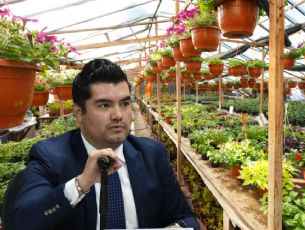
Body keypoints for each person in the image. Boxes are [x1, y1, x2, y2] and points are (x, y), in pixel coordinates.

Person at [10, 59, 199, 230]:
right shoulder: (50, 156)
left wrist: (178, 228)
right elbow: (22, 222)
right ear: (78, 114)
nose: (118, 114)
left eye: (124, 103)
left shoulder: (151, 153)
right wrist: (81, 184)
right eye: (104, 105)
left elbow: (186, 218)